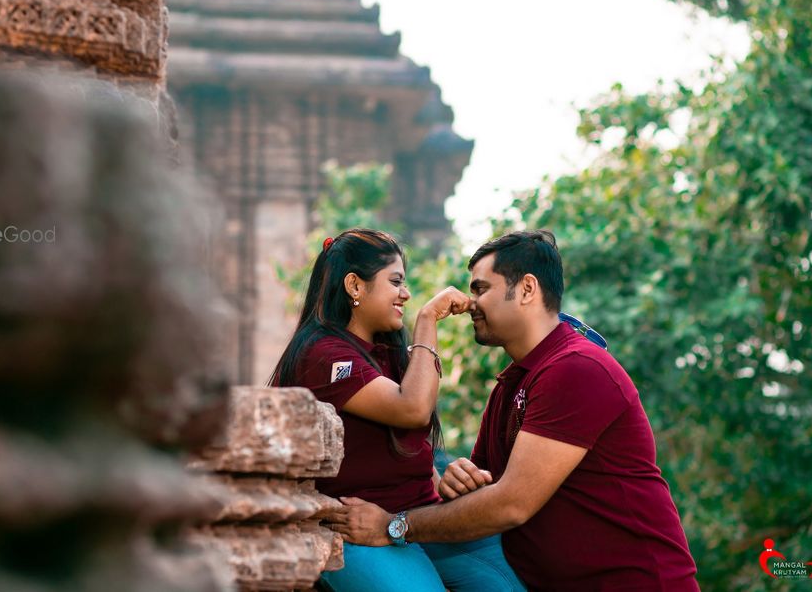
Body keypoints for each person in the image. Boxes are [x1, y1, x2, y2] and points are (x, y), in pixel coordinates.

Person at [332, 230, 700, 592]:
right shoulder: (513, 385)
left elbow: (511, 505)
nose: (470, 303)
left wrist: (394, 526)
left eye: (481, 289)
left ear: (526, 289)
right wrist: (461, 479)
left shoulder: (577, 368)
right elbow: (487, 497)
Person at [270, 228, 525, 592]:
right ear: (355, 286)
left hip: (419, 519)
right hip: (361, 528)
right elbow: (413, 410)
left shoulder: (385, 352)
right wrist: (427, 321)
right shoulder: (322, 354)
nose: (405, 294)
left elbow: (411, 442)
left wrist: (444, 477)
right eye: (395, 282)